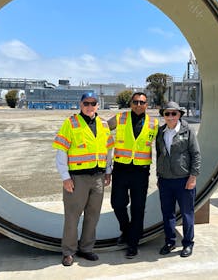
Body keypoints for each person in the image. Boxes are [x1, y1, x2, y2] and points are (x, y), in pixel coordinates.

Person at [52, 92, 114, 267]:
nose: (89, 106)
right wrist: (65, 177)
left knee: (93, 216)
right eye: (86, 103)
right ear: (80, 105)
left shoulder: (103, 124)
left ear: (97, 105)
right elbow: (61, 152)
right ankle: (68, 252)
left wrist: (108, 170)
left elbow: (108, 150)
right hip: (77, 178)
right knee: (72, 216)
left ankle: (86, 248)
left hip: (98, 177)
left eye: (93, 103)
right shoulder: (70, 123)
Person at [109, 92, 159, 258]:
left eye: (142, 102)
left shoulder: (154, 123)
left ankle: (133, 243)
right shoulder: (120, 118)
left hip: (141, 171)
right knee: (117, 203)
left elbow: (162, 147)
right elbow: (102, 128)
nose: (139, 104)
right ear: (131, 103)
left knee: (138, 208)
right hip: (121, 168)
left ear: (147, 104)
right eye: (136, 102)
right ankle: (126, 230)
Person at [156, 101, 201, 258]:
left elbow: (195, 154)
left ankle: (188, 243)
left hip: (184, 180)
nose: (170, 117)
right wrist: (158, 175)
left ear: (179, 115)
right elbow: (159, 155)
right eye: (167, 114)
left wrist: (193, 177)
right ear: (163, 116)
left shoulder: (188, 131)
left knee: (187, 213)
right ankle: (170, 241)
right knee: (167, 213)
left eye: (173, 113)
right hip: (165, 180)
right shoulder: (160, 132)